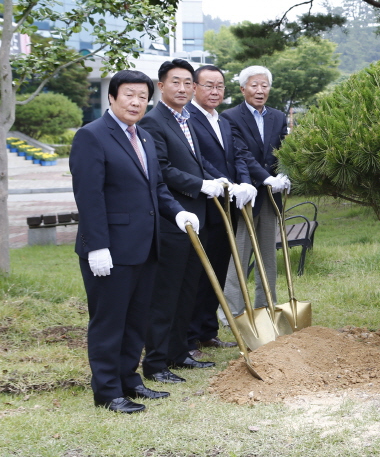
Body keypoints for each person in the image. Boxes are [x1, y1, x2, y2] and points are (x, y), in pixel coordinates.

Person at [71, 69, 197, 413]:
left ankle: (130, 380)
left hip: (146, 246)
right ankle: (108, 392)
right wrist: (97, 245)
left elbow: (156, 187)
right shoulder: (92, 136)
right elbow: (89, 196)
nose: (136, 101)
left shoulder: (141, 136)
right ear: (111, 97)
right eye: (129, 94)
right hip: (109, 250)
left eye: (142, 96)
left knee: (136, 320)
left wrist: (177, 212)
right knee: (110, 322)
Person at [139, 59, 226, 384]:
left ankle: (179, 353)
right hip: (172, 219)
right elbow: (162, 170)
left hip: (197, 219)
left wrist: (218, 180)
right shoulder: (153, 122)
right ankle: (156, 362)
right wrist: (200, 185)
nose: (182, 88)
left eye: (188, 82)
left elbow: (195, 162)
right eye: (175, 82)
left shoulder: (186, 119)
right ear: (161, 86)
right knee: (166, 294)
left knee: (188, 289)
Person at [185, 64, 257, 353]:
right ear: (194, 88)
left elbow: (239, 154)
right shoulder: (187, 119)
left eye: (219, 87)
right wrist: (226, 182)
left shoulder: (223, 121)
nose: (214, 92)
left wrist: (245, 181)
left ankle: (207, 330)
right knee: (199, 274)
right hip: (203, 206)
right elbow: (200, 161)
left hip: (228, 209)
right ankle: (189, 335)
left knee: (219, 267)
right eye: (208, 86)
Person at [221, 65, 291, 314]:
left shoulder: (278, 117)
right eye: (254, 85)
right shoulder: (230, 117)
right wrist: (265, 178)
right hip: (246, 195)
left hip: (271, 198)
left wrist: (284, 172)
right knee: (240, 254)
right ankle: (233, 311)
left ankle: (266, 305)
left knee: (268, 257)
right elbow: (241, 153)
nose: (260, 90)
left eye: (265, 85)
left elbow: (285, 150)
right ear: (243, 89)